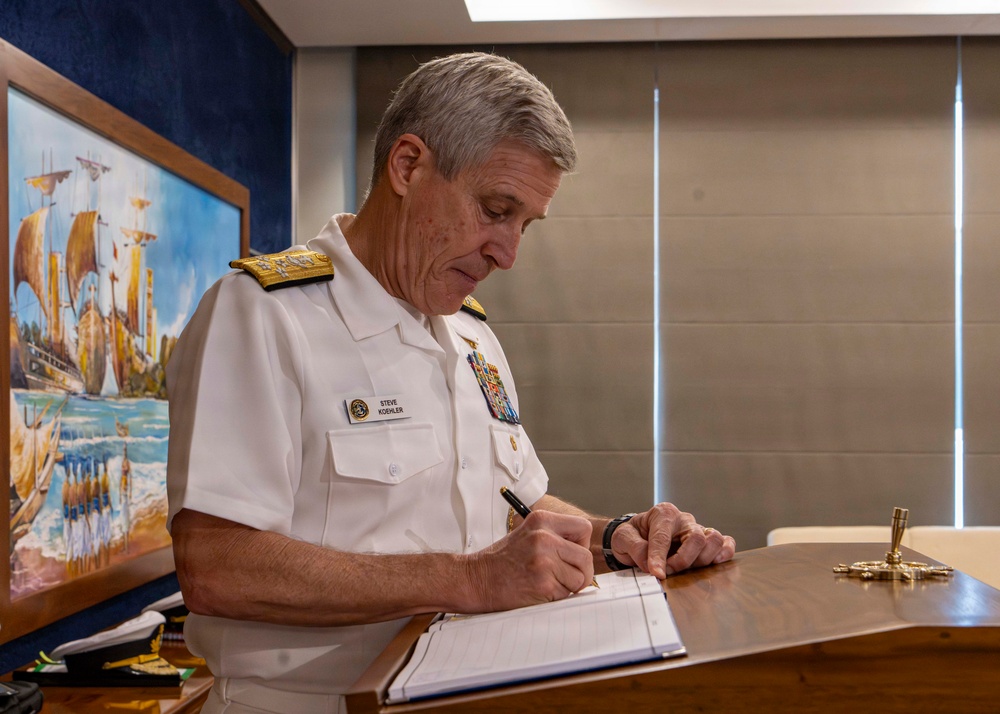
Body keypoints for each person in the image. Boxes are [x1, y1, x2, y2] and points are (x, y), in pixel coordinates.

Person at [166, 52, 736, 714]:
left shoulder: (470, 335)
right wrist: (468, 579)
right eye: (496, 210)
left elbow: (515, 503)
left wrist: (617, 539)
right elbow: (216, 566)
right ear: (408, 167)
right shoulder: (262, 314)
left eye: (525, 224)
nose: (509, 253)